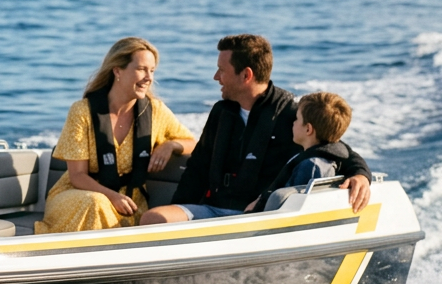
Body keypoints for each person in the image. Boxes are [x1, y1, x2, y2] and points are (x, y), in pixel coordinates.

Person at [141, 35, 371, 224]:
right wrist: (179, 209)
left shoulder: (291, 116)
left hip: (256, 219)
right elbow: (197, 168)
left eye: (222, 70)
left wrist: (360, 174)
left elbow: (337, 149)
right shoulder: (221, 113)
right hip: (210, 211)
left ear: (246, 75)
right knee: (154, 218)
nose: (216, 77)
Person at [34, 37, 197, 233]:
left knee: (98, 204)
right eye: (141, 69)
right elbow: (77, 176)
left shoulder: (156, 112)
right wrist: (111, 196)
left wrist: (170, 146)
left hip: (129, 204)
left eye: (152, 71)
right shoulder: (82, 111)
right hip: (78, 195)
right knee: (95, 203)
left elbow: (192, 142)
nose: (149, 77)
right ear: (117, 70)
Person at [249, 92, 354, 212]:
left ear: (308, 129)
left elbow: (296, 210)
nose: (293, 122)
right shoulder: (328, 157)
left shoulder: (312, 167)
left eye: (297, 119)